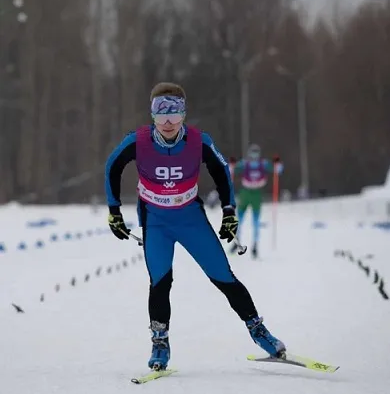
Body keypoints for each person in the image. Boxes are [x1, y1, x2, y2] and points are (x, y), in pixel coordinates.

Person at [104, 82, 286, 371]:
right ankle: (160, 342)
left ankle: (258, 330)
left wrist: (229, 212)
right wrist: (114, 211)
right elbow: (113, 166)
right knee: (161, 282)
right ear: (151, 114)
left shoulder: (199, 141)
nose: (167, 122)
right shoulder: (137, 141)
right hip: (156, 221)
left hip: (189, 218)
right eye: (160, 112)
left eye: (174, 113)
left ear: (184, 115)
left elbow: (221, 171)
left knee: (223, 277)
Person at [230, 144, 283, 258]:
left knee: (256, 222)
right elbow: (232, 169)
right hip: (245, 192)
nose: (254, 155)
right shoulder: (245, 163)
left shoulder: (263, 164)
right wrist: (232, 165)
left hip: (256, 194)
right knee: (239, 219)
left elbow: (277, 170)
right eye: (252, 152)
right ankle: (236, 241)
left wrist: (277, 164)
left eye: (256, 152)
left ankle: (255, 245)